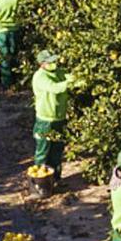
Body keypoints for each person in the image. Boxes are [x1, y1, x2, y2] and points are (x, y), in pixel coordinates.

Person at [31, 50, 75, 182]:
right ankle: (39, 181)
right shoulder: (40, 77)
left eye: (54, 61)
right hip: (45, 120)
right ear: (42, 64)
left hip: (59, 118)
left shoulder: (58, 72)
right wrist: (69, 82)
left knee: (57, 150)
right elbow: (55, 88)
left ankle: (55, 178)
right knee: (43, 150)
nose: (54, 63)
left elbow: (69, 77)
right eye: (50, 62)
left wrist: (77, 78)